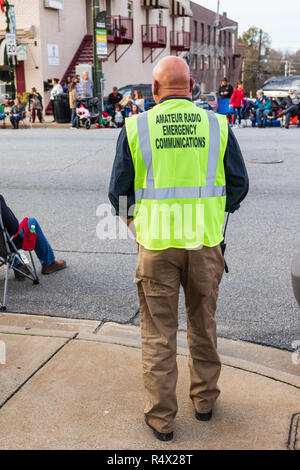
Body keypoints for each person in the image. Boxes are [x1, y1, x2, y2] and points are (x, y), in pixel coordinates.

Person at [109, 56, 249, 442]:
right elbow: (238, 185)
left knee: (158, 334)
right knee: (203, 325)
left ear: (154, 90)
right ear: (191, 87)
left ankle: (162, 420)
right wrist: (214, 213)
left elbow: (118, 191)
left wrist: (135, 226)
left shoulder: (137, 127)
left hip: (155, 246)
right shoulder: (216, 125)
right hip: (204, 242)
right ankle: (204, 402)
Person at [0, 195, 66, 278]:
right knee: (32, 222)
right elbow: (14, 228)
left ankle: (18, 266)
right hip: (10, 243)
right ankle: (49, 263)